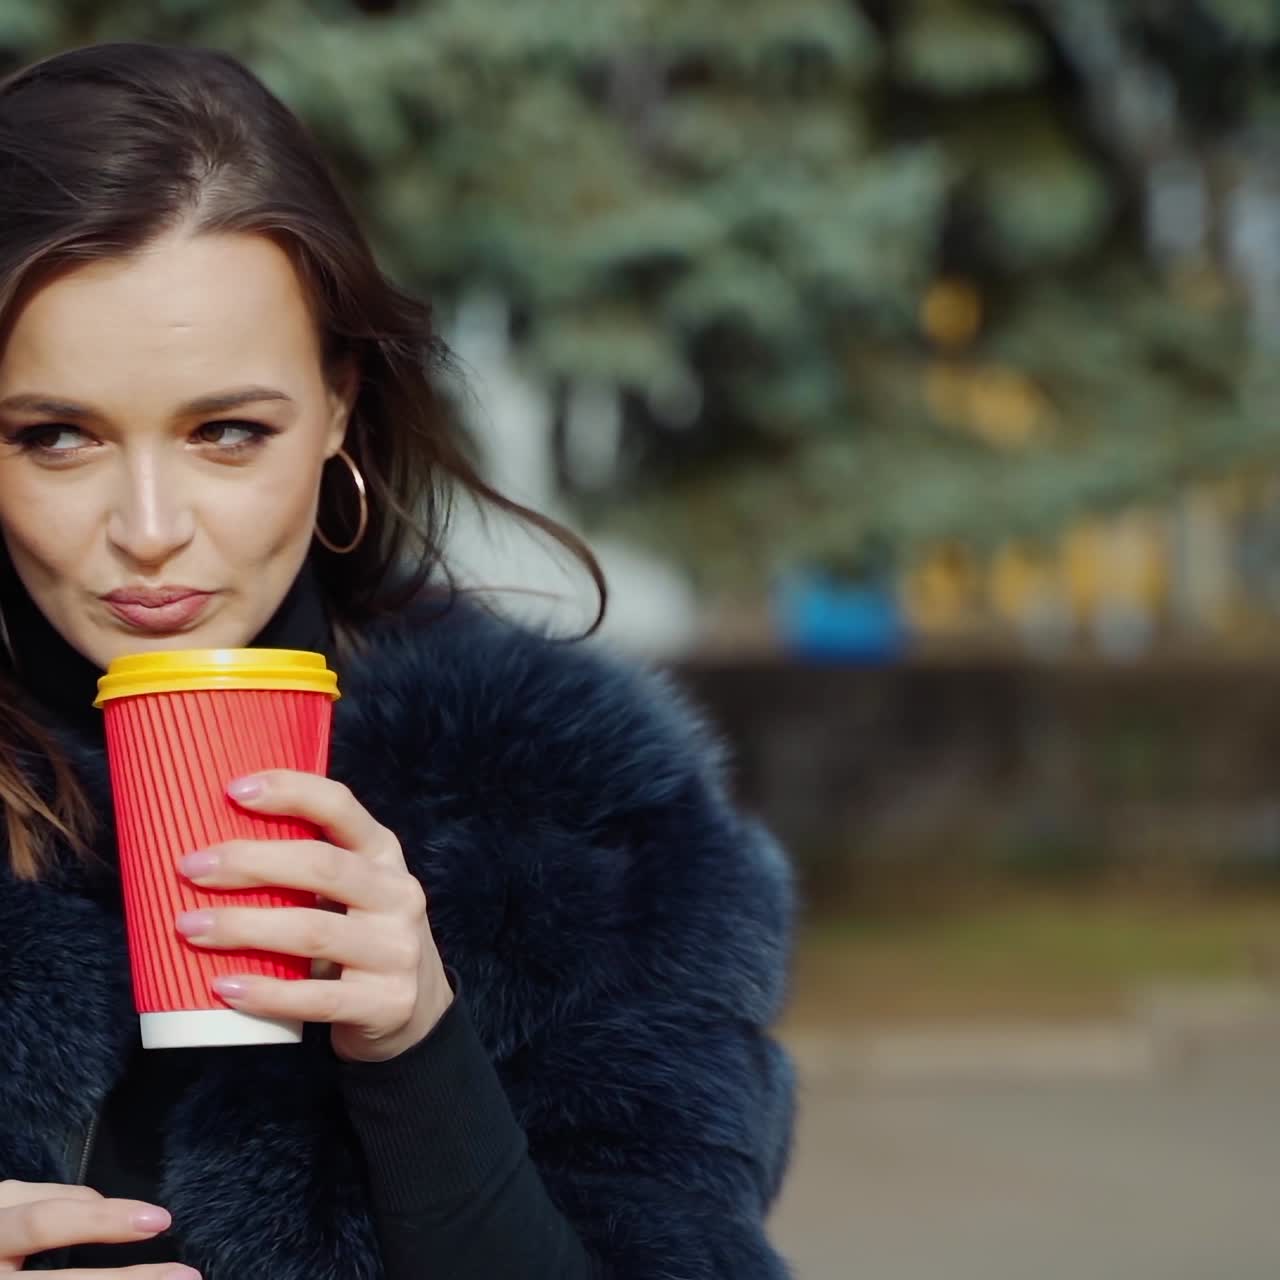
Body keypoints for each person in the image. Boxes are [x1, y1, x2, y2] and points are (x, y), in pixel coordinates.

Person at [0, 40, 795, 1280]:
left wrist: (421, 1049)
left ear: (337, 407)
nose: (149, 528)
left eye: (227, 431)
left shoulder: (564, 807)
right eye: (57, 436)